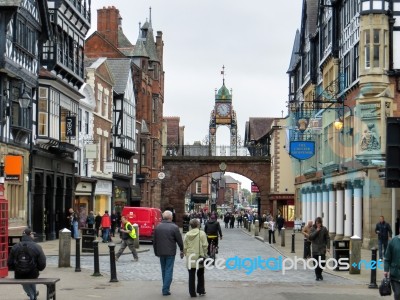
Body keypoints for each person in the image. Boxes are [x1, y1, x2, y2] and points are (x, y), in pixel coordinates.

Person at [7, 229, 46, 300]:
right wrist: (38, 268)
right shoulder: (37, 247)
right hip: (33, 274)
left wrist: (16, 269)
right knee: (32, 276)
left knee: (24, 278)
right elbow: (42, 264)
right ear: (30, 235)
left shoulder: (15, 247)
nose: (33, 235)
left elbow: (9, 263)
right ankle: (33, 295)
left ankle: (32, 295)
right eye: (32, 234)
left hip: (19, 274)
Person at [153, 210, 184, 296]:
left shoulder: (158, 227)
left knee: (164, 270)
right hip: (170, 252)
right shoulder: (174, 227)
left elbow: (154, 241)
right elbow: (179, 240)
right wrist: (182, 249)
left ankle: (165, 287)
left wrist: (156, 252)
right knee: (169, 270)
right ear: (171, 217)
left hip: (161, 252)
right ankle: (165, 289)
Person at [184, 218, 208, 297]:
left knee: (191, 275)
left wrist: (185, 254)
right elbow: (205, 245)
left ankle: (192, 293)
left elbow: (185, 246)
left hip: (190, 256)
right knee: (200, 274)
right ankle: (201, 290)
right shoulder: (202, 233)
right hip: (199, 256)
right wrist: (205, 254)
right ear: (198, 225)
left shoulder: (187, 234)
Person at [309, 216, 330, 281]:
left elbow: (327, 238)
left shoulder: (324, 229)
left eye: (319, 223)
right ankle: (317, 276)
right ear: (315, 223)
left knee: (322, 263)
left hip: (322, 249)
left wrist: (328, 247)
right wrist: (316, 231)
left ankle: (319, 273)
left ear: (321, 223)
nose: (318, 224)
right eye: (317, 223)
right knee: (316, 263)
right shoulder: (312, 228)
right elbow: (310, 237)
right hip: (315, 249)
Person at [384, 233, 400, 300]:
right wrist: (386, 270)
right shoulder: (393, 242)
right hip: (395, 274)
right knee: (397, 294)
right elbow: (387, 258)